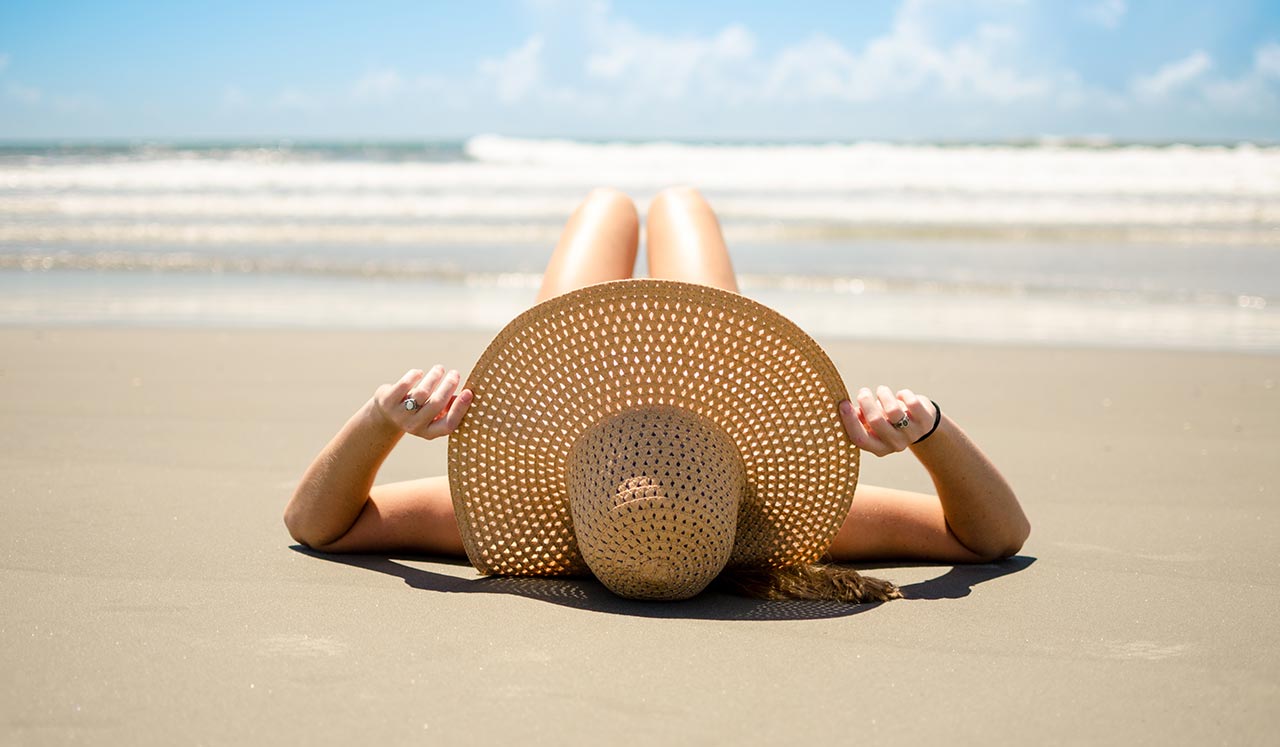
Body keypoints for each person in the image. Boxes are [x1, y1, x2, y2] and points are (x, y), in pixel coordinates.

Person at [284, 186, 1030, 601]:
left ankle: (624, 204)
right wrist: (929, 428)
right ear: (731, 512)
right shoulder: (764, 521)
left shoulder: (538, 515)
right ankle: (665, 203)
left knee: (606, 207)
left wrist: (381, 418)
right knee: (680, 206)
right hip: (699, 391)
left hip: (567, 394)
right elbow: (994, 537)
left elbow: (317, 524)